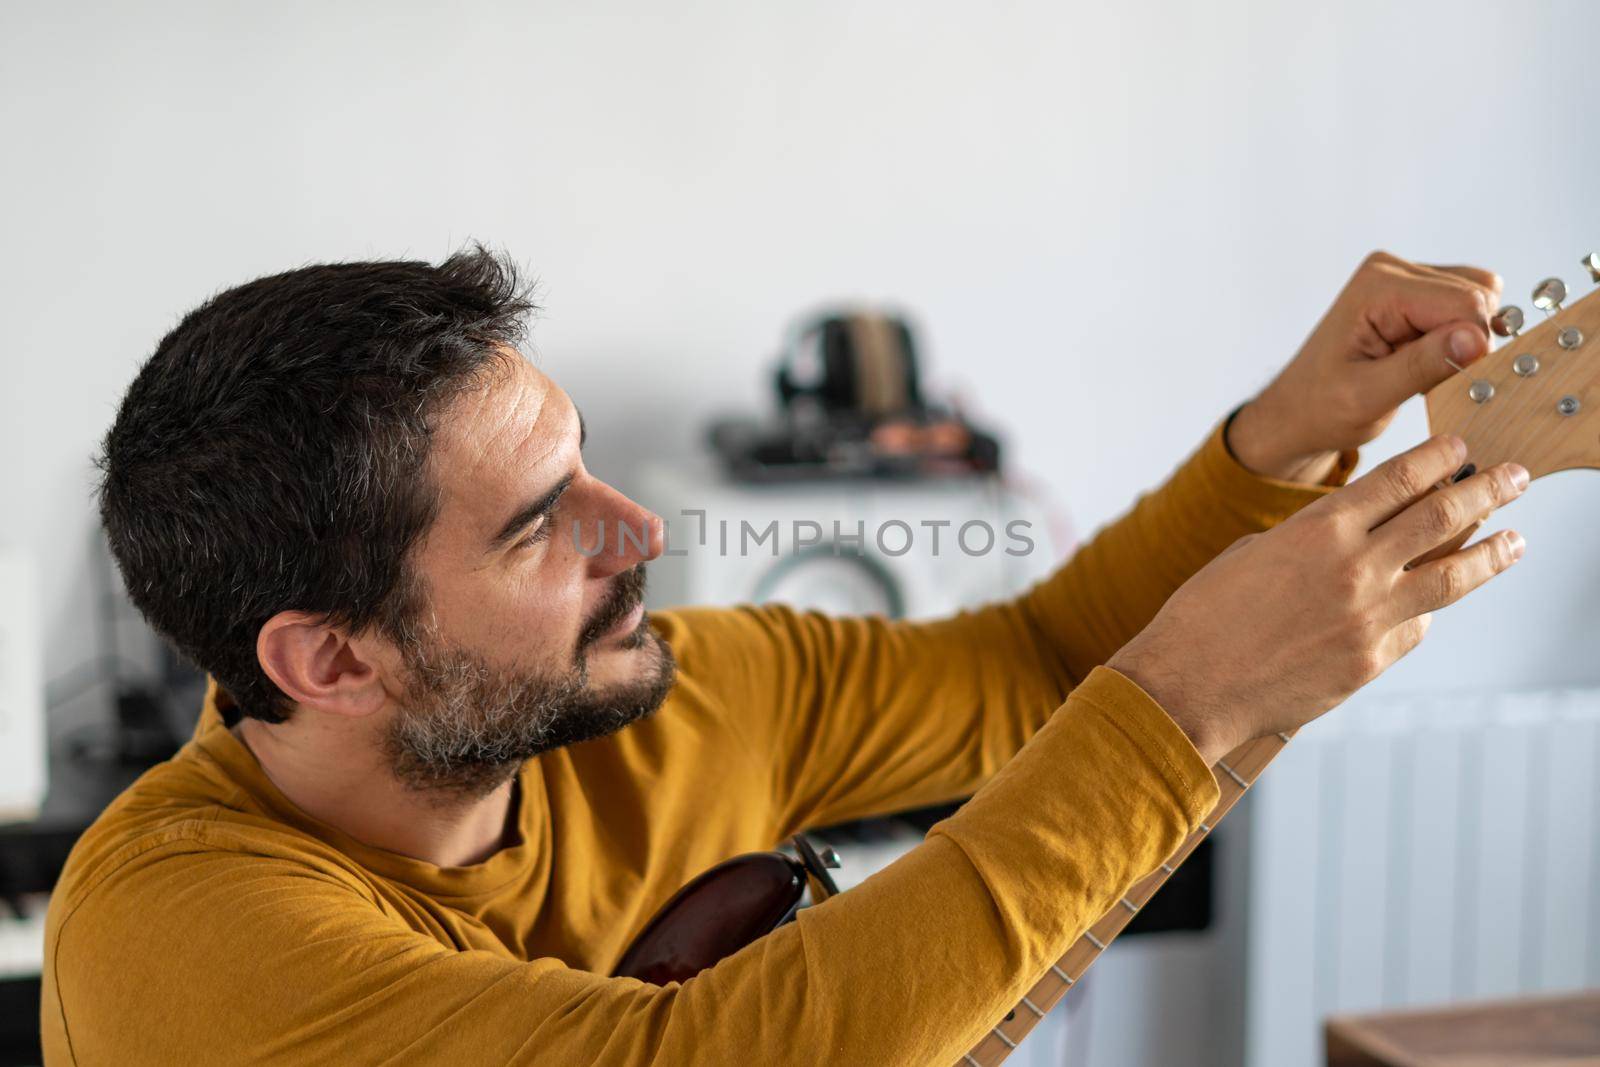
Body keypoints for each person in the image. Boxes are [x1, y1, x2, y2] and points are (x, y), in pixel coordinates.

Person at [43, 247, 1525, 1066]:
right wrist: (1189, 703)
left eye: (589, 468)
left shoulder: (687, 697)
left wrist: (1289, 432)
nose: (637, 536)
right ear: (332, 662)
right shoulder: (174, 934)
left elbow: (1040, 663)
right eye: (539, 526)